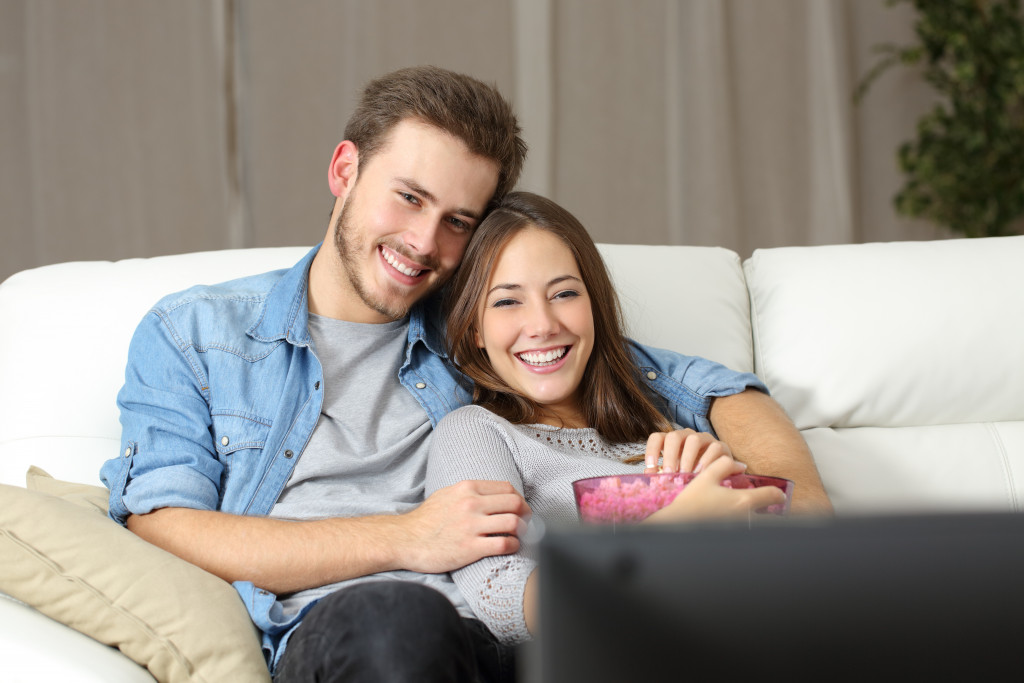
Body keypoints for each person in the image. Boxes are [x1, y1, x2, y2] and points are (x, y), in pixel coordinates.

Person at [101, 66, 830, 682]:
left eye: (457, 220)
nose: (423, 242)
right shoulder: (198, 332)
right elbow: (161, 523)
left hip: (508, 634)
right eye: (409, 197)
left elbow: (704, 386)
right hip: (357, 630)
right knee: (401, 622)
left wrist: (798, 504)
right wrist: (407, 537)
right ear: (344, 170)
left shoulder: (479, 327)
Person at [426, 191, 799, 644]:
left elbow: (786, 573)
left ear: (594, 307)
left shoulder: (661, 427)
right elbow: (503, 604)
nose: (543, 324)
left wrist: (723, 481)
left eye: (564, 293)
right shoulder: (474, 432)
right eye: (507, 301)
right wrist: (672, 529)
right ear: (473, 329)